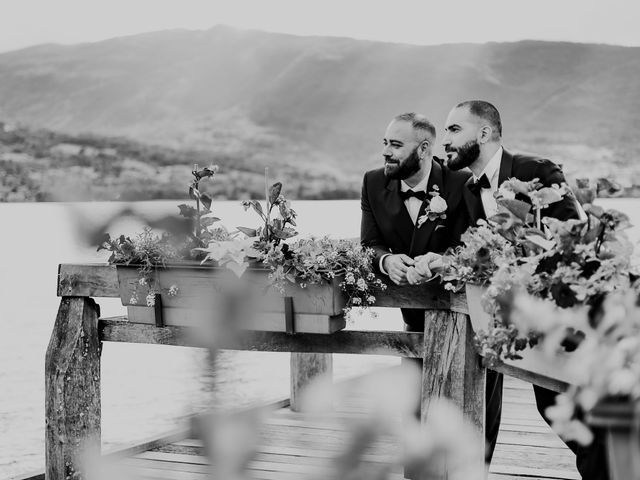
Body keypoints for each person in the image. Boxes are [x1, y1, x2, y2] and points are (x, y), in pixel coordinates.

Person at [414, 100, 608, 479]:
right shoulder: (470, 190)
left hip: (565, 318)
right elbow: (475, 250)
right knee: (560, 412)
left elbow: (570, 241)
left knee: (581, 418)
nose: (445, 141)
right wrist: (439, 261)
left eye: (454, 130)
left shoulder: (536, 170)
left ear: (484, 133)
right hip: (525, 326)